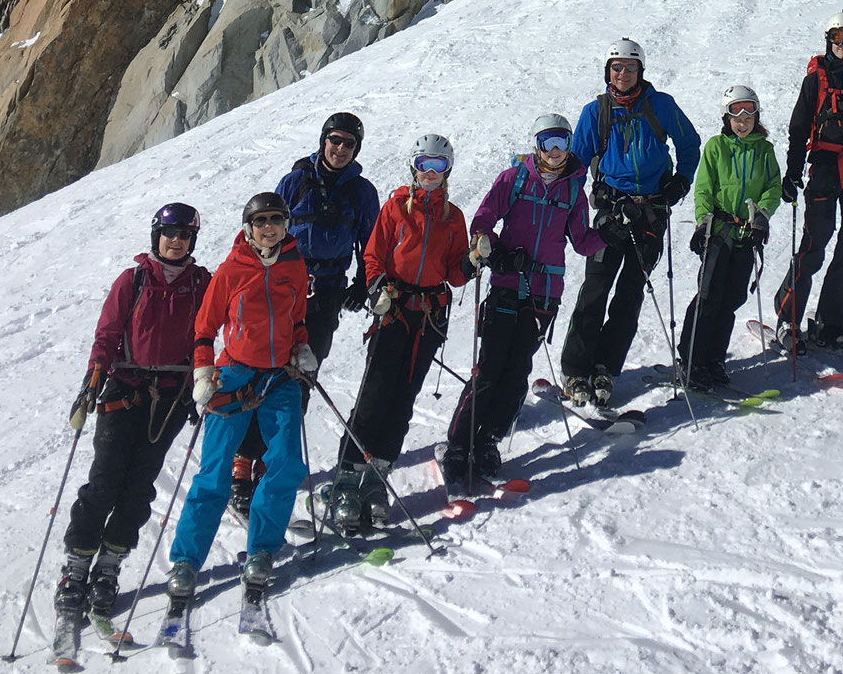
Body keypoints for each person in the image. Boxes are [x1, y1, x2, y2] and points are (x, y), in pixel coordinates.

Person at [54, 202, 209, 630]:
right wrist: (94, 377)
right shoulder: (134, 279)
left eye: (183, 234)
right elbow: (107, 333)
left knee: (138, 488)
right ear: (156, 236)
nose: (175, 240)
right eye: (169, 232)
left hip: (173, 398)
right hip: (124, 391)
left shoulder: (201, 283)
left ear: (192, 240)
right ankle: (75, 568)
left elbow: (209, 331)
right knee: (104, 482)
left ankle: (109, 565)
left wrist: (204, 377)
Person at [166, 192, 313, 606]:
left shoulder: (294, 266)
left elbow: (297, 318)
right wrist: (202, 371)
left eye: (276, 220)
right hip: (232, 376)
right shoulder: (232, 270)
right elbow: (204, 328)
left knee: (285, 462)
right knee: (214, 471)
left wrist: (301, 347)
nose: (269, 228)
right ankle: (186, 559)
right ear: (248, 227)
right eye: (261, 221)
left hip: (280, 376)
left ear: (286, 225)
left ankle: (262, 549)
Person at [231, 110, 379, 515]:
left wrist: (364, 283)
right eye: (335, 140)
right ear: (323, 140)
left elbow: (372, 243)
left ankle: (271, 462)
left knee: (299, 378)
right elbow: (266, 230)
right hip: (282, 289)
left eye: (349, 143)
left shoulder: (362, 192)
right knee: (262, 372)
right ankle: (243, 462)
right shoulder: (295, 182)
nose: (340, 149)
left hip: (326, 294)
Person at [445, 114, 604, 484]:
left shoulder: (572, 192)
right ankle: (459, 444)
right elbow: (483, 221)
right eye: (547, 142)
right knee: (489, 369)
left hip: (544, 294)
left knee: (517, 372)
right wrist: (495, 252)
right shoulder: (513, 179)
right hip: (505, 285)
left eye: (561, 143)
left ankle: (488, 441)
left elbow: (582, 243)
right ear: (536, 144)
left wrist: (608, 232)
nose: (554, 151)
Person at [324, 137, 469, 532]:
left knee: (403, 398)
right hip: (394, 311)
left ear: (448, 170)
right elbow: (373, 255)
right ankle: (347, 477)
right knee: (375, 394)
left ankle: (376, 477)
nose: (430, 171)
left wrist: (471, 262)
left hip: (429, 317)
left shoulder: (453, 217)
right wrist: (376, 288)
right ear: (413, 165)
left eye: (438, 165)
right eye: (424, 162)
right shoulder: (394, 208)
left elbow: (455, 272)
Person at [559, 40, 700, 408]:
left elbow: (690, 143)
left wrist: (680, 182)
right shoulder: (596, 112)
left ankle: (605, 366)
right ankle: (576, 368)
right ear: (608, 71)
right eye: (616, 67)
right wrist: (561, 203)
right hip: (612, 210)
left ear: (641, 72)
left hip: (652, 210)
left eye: (630, 68)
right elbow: (577, 162)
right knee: (596, 287)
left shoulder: (660, 105)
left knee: (632, 291)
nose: (622, 74)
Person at [774, 10, 843, 350]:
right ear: (828, 39)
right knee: (814, 244)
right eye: (839, 37)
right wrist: (793, 173)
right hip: (824, 167)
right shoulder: (815, 81)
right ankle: (788, 320)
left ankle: (831, 323)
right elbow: (798, 130)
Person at [679, 84, 782, 388]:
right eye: (736, 113)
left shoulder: (764, 149)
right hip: (720, 231)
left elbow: (772, 187)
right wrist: (703, 223)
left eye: (748, 111)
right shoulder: (716, 147)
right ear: (727, 117)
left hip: (746, 233)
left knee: (733, 297)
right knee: (709, 295)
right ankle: (691, 360)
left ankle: (714, 360)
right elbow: (704, 188)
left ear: (756, 115)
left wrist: (762, 217)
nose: (742, 119)